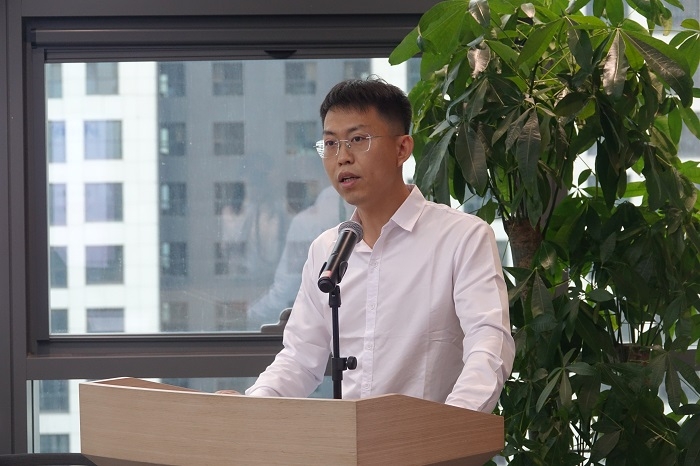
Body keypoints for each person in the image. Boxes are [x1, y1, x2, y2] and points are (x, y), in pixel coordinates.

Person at [226, 77, 515, 412]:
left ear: (402, 149)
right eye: (330, 143)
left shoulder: (462, 238)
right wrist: (251, 409)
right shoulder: (326, 250)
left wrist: (449, 425)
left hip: (430, 438)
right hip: (348, 441)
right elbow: (299, 358)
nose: (342, 157)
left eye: (358, 139)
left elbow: (489, 344)